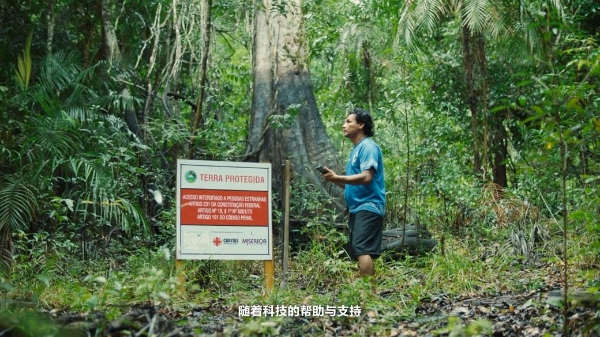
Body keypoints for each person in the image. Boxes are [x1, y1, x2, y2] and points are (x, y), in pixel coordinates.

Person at [321, 108, 386, 288]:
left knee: (362, 249)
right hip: (357, 207)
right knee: (360, 249)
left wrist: (337, 178)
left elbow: (366, 177)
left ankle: (371, 298)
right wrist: (334, 179)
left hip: (369, 205)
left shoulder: (368, 147)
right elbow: (353, 183)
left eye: (349, 121)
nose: (344, 125)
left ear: (361, 124)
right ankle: (368, 294)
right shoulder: (356, 150)